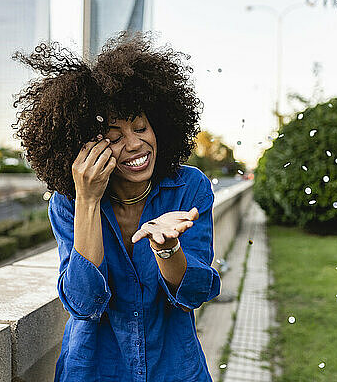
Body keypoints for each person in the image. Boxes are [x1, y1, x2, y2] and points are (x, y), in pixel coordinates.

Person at [12, 30, 221, 382]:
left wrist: (168, 249)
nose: (136, 144)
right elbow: (84, 303)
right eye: (115, 137)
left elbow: (195, 294)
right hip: (93, 370)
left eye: (141, 127)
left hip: (174, 370)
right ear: (86, 146)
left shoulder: (189, 187)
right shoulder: (68, 204)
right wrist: (89, 200)